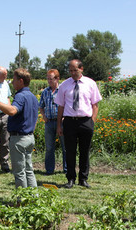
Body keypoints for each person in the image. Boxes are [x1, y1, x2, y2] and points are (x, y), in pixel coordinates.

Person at [0, 68, 39, 188]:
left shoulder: (20, 96)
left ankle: (21, 201)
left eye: (14, 80)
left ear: (21, 81)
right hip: (29, 137)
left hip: (19, 139)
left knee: (19, 172)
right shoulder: (32, 96)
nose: (12, 82)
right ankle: (33, 198)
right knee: (29, 170)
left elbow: (12, 111)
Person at [55, 59, 102, 189]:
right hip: (70, 121)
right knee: (70, 151)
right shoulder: (64, 85)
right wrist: (59, 125)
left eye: (75, 70)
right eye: (70, 70)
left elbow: (95, 105)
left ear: (81, 69)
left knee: (84, 151)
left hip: (85, 121)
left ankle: (83, 178)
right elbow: (60, 107)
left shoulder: (90, 84)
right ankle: (70, 178)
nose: (72, 73)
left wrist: (92, 121)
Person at [39, 69, 67, 175]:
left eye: (51, 79)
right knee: (49, 148)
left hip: (62, 122)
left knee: (65, 147)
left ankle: (66, 169)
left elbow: (67, 105)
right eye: (48, 79)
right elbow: (41, 106)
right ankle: (49, 170)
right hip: (49, 122)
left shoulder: (63, 90)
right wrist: (44, 116)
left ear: (57, 78)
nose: (49, 81)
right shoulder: (45, 92)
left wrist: (64, 117)